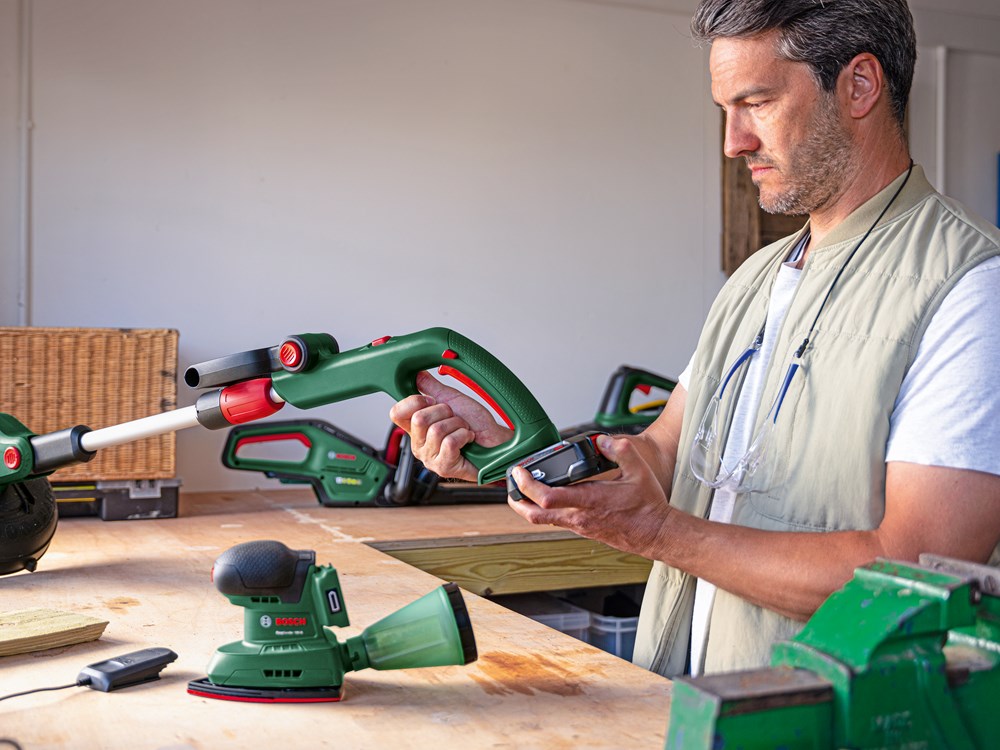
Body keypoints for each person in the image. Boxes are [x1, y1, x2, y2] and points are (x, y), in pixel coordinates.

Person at [390, 0, 1000, 678]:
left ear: (859, 86)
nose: (733, 142)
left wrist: (661, 532)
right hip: (690, 699)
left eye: (756, 103)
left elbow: (912, 575)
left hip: (828, 718)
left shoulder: (971, 285)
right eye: (724, 110)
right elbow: (660, 454)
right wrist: (513, 452)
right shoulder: (757, 279)